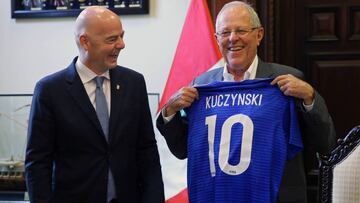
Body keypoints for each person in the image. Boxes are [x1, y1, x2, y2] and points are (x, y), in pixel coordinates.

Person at [157, 1, 336, 203]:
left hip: (275, 196)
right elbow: (183, 150)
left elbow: (325, 142)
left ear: (258, 35)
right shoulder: (201, 86)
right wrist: (170, 110)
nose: (233, 38)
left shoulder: (287, 81)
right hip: (219, 196)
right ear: (216, 39)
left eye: (241, 30)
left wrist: (310, 97)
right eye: (225, 33)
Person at [25, 6, 164, 203]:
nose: (122, 44)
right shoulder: (50, 91)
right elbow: (37, 164)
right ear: (85, 42)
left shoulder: (134, 83)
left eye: (122, 36)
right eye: (112, 39)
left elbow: (147, 151)